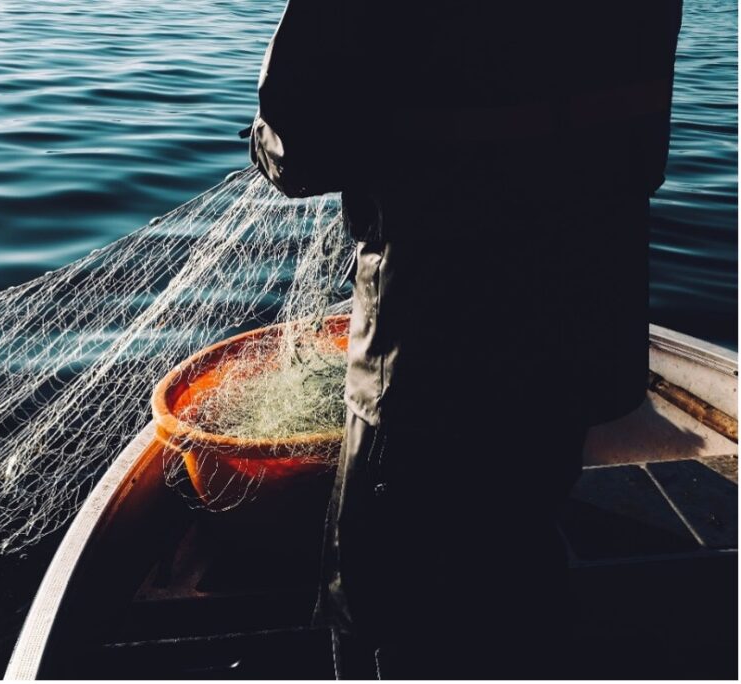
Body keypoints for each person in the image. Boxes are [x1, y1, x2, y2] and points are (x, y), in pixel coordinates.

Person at [247, 2, 682, 679]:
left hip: (432, 346)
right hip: (578, 323)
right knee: (518, 544)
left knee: (386, 599)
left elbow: (295, 145)